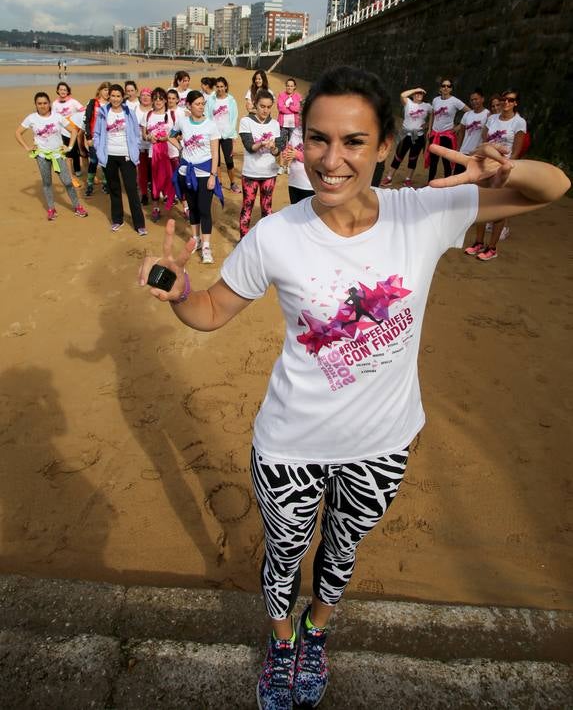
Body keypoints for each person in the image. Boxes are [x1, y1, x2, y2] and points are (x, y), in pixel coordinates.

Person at [138, 66, 569, 710]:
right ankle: (282, 642)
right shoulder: (276, 235)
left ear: (385, 146)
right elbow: (211, 312)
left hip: (382, 443)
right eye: (317, 140)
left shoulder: (420, 213)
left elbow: (553, 187)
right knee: (283, 561)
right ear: (301, 141)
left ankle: (317, 633)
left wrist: (501, 169)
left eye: (353, 142)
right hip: (291, 445)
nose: (331, 160)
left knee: (340, 555)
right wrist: (179, 295)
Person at [464, 89, 527, 261]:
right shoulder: (492, 119)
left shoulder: (519, 122)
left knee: (499, 209)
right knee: (481, 205)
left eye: (510, 100)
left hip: (503, 170)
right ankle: (478, 242)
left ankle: (492, 247)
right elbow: (485, 140)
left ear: (515, 103)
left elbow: (516, 151)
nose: (506, 102)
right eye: (504, 99)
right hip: (486, 167)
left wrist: (505, 167)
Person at [15, 91, 88, 221]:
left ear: (49, 103)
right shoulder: (31, 118)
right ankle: (51, 209)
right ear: (36, 105)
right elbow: (18, 133)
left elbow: (73, 131)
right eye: (39, 103)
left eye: (45, 103)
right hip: (42, 156)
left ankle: (77, 207)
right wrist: (28, 148)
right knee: (47, 183)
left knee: (67, 182)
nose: (42, 106)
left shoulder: (57, 116)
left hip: (58, 154)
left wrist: (69, 147)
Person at [170, 90, 222, 264]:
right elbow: (171, 135)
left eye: (202, 104)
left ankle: (206, 246)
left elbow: (215, 153)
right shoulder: (182, 122)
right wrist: (180, 149)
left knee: (204, 209)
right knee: (192, 208)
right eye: (198, 104)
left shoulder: (211, 125)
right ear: (189, 106)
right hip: (186, 172)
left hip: (205, 173)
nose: (201, 107)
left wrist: (213, 175)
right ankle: (196, 239)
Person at [93, 83, 147, 235]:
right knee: (114, 189)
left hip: (127, 155)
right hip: (109, 155)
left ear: (122, 97)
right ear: (108, 96)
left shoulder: (129, 112)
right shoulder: (103, 112)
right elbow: (96, 134)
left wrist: (134, 150)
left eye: (118, 96)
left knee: (131, 189)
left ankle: (139, 224)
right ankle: (118, 220)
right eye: (113, 96)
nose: (115, 99)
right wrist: (98, 149)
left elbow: (136, 134)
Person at [238, 89, 284, 238]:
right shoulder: (246, 122)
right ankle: (243, 240)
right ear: (255, 105)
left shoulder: (275, 124)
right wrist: (262, 144)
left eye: (268, 107)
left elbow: (277, 152)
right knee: (247, 207)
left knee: (267, 209)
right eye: (262, 106)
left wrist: (273, 148)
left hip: (269, 173)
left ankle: (265, 240)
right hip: (250, 173)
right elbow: (249, 147)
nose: (265, 110)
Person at [382, 86, 432, 187]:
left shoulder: (427, 106)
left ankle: (408, 179)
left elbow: (433, 114)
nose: (419, 95)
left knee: (413, 158)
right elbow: (402, 95)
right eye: (417, 93)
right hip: (406, 135)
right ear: (413, 95)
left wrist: (428, 126)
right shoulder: (408, 102)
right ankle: (389, 177)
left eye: (421, 93)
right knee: (398, 156)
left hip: (418, 136)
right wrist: (416, 89)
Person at [143, 87, 177, 222]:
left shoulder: (172, 115)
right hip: (154, 154)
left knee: (175, 181)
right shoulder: (148, 115)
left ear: (165, 100)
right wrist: (148, 138)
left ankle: (185, 208)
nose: (158, 101)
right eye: (155, 98)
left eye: (161, 98)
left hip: (171, 154)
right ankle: (156, 208)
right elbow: (144, 135)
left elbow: (178, 134)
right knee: (155, 182)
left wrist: (167, 137)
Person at [426, 79, 470, 182]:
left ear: (451, 89)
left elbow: (469, 112)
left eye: (448, 86)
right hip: (435, 134)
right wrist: (429, 129)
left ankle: (447, 185)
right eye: (444, 85)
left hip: (447, 135)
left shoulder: (455, 101)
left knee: (447, 162)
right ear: (440, 88)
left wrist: (459, 127)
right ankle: (429, 183)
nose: (446, 88)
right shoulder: (436, 100)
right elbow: (433, 114)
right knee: (433, 162)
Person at [205, 76, 240, 192]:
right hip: (214, 135)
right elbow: (207, 115)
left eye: (222, 86)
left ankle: (233, 183)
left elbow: (234, 118)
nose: (220, 89)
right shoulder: (211, 100)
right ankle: (219, 183)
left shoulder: (231, 100)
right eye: (218, 87)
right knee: (217, 160)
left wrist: (231, 134)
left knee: (229, 160)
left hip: (227, 134)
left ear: (225, 87)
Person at [51, 82, 85, 186]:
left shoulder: (73, 102)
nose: (62, 91)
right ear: (57, 90)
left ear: (68, 91)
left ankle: (77, 169)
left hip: (73, 130)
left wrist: (77, 123)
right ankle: (71, 175)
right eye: (61, 89)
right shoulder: (55, 104)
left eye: (65, 90)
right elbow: (53, 117)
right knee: (68, 153)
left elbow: (83, 110)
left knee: (76, 151)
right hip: (62, 131)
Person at [453, 88, 490, 175]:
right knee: (457, 178)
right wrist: (458, 150)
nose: (474, 102)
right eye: (472, 100)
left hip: (477, 154)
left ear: (482, 99)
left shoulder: (488, 115)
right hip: (463, 152)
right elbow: (461, 133)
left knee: (472, 180)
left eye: (476, 99)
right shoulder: (467, 115)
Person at [84, 82, 111, 196]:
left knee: (105, 161)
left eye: (109, 90)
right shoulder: (92, 102)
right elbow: (87, 120)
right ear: (99, 90)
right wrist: (88, 137)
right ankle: (89, 184)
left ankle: (105, 183)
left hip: (108, 138)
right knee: (94, 161)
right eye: (105, 89)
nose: (107, 92)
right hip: (94, 137)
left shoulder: (111, 104)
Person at [281, 124, 314, 204]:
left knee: (308, 212)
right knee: (295, 209)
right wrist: (286, 153)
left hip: (309, 185)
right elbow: (289, 147)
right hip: (294, 182)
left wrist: (297, 154)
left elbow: (316, 158)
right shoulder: (296, 131)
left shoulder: (316, 133)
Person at [276, 78, 303, 174]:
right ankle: (281, 166)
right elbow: (280, 108)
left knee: (292, 146)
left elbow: (298, 109)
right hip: (283, 124)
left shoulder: (298, 96)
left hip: (294, 125)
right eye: (288, 85)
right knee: (281, 145)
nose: (289, 87)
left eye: (291, 86)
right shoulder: (281, 95)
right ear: (285, 86)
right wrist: (290, 108)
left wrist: (289, 106)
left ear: (294, 87)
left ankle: (288, 166)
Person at [136, 87, 152, 205]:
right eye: (143, 95)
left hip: (154, 146)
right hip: (139, 145)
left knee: (155, 170)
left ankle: (157, 191)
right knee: (142, 171)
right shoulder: (135, 110)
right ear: (140, 97)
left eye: (148, 95)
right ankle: (144, 194)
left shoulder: (155, 110)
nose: (145, 97)